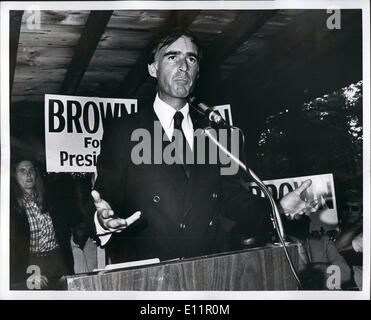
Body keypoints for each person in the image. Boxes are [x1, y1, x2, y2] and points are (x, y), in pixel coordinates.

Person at [89, 31, 315, 264]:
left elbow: (232, 198)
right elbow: (106, 198)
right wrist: (103, 219)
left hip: (210, 269)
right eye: (172, 57)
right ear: (152, 68)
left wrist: (278, 208)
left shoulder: (215, 135)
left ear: (197, 73)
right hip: (151, 275)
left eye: (191, 59)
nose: (184, 67)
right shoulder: (123, 130)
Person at [10, 159, 77, 289]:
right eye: (22, 171)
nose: (28, 174)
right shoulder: (12, 206)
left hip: (58, 259)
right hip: (33, 263)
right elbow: (12, 247)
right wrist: (25, 274)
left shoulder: (48, 198)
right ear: (14, 175)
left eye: (31, 170)